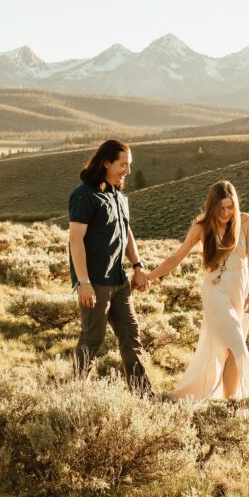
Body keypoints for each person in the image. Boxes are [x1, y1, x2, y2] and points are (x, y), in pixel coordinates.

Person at [147, 180, 249, 400]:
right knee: (239, 348)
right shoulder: (201, 227)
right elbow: (176, 257)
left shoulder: (245, 221)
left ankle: (229, 406)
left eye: (230, 207)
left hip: (240, 290)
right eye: (221, 208)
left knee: (229, 352)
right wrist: (149, 276)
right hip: (215, 292)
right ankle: (241, 403)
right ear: (212, 207)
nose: (226, 213)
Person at [68, 139, 152, 391]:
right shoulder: (84, 195)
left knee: (131, 336)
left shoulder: (119, 195)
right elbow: (75, 240)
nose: (127, 170)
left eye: (129, 165)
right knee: (92, 339)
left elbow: (126, 232)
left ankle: (142, 395)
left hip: (119, 280)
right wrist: (83, 282)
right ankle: (72, 395)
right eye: (122, 164)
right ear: (106, 162)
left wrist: (137, 266)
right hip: (95, 282)